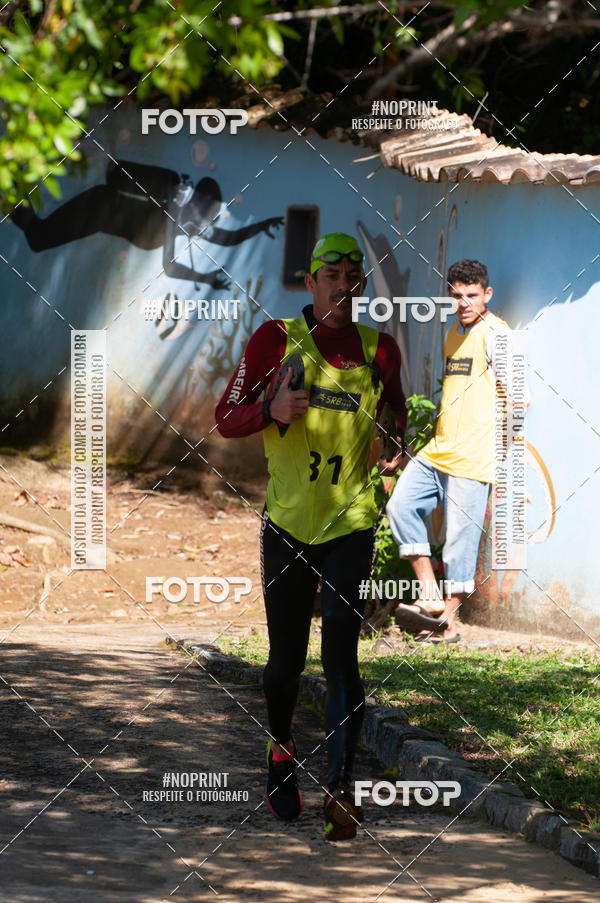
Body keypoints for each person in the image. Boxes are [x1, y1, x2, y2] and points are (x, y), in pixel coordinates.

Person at [215, 233, 407, 840]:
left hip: (351, 522)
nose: (344, 286)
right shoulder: (275, 340)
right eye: (332, 275)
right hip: (289, 525)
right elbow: (226, 417)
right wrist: (270, 411)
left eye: (354, 276)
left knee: (341, 655)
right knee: (286, 662)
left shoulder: (381, 350)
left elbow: (396, 410)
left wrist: (395, 447)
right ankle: (280, 753)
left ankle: (342, 787)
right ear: (310, 282)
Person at [387, 259, 524, 644]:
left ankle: (446, 624)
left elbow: (520, 401)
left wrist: (501, 455)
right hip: (439, 450)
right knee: (400, 506)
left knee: (459, 543)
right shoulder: (452, 334)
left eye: (472, 295)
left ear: (487, 294)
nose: (464, 302)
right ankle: (430, 595)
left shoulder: (498, 336)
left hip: (475, 457)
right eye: (457, 296)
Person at [11, 159, 283, 288]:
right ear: (195, 203)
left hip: (104, 212)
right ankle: (8, 187)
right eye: (204, 213)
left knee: (37, 239)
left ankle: (9, 191)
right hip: (99, 205)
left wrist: (262, 225)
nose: (202, 226)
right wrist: (205, 277)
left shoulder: (188, 221)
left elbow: (227, 237)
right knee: (37, 238)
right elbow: (170, 266)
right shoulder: (176, 213)